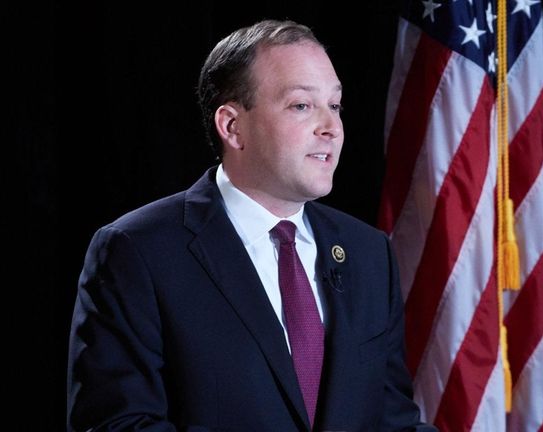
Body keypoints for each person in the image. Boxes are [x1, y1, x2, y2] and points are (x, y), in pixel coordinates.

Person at [67, 19, 436, 432]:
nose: (331, 128)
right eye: (301, 105)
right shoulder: (137, 251)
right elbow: (117, 424)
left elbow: (391, 420)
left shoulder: (368, 253)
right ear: (232, 126)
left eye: (335, 105)